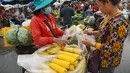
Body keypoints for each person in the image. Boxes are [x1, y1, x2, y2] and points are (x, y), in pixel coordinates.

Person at [82, 0, 129, 73]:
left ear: (107, 2)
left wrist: (92, 44)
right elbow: (105, 31)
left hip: (108, 60)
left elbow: (112, 49)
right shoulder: (109, 15)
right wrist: (92, 32)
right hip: (101, 55)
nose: (99, 8)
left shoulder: (119, 23)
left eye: (99, 5)